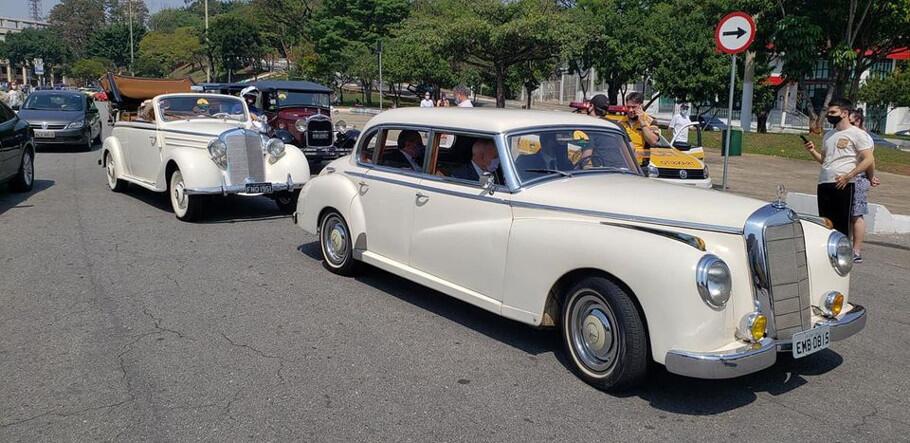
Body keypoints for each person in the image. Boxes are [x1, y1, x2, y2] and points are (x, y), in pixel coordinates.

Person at [803, 98, 874, 238]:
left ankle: (842, 255)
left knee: (841, 226)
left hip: (843, 184)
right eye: (828, 112)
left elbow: (869, 158)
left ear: (844, 113)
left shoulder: (857, 134)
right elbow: (824, 160)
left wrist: (849, 176)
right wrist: (812, 151)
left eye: (833, 112)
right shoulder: (828, 135)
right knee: (825, 224)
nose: (829, 115)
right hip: (824, 183)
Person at [847, 109, 880, 263]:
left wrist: (871, 176)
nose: (850, 125)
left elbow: (870, 160)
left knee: (856, 215)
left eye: (852, 122)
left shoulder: (864, 138)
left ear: (858, 122)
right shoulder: (846, 134)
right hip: (843, 177)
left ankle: (856, 250)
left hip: (858, 178)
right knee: (845, 215)